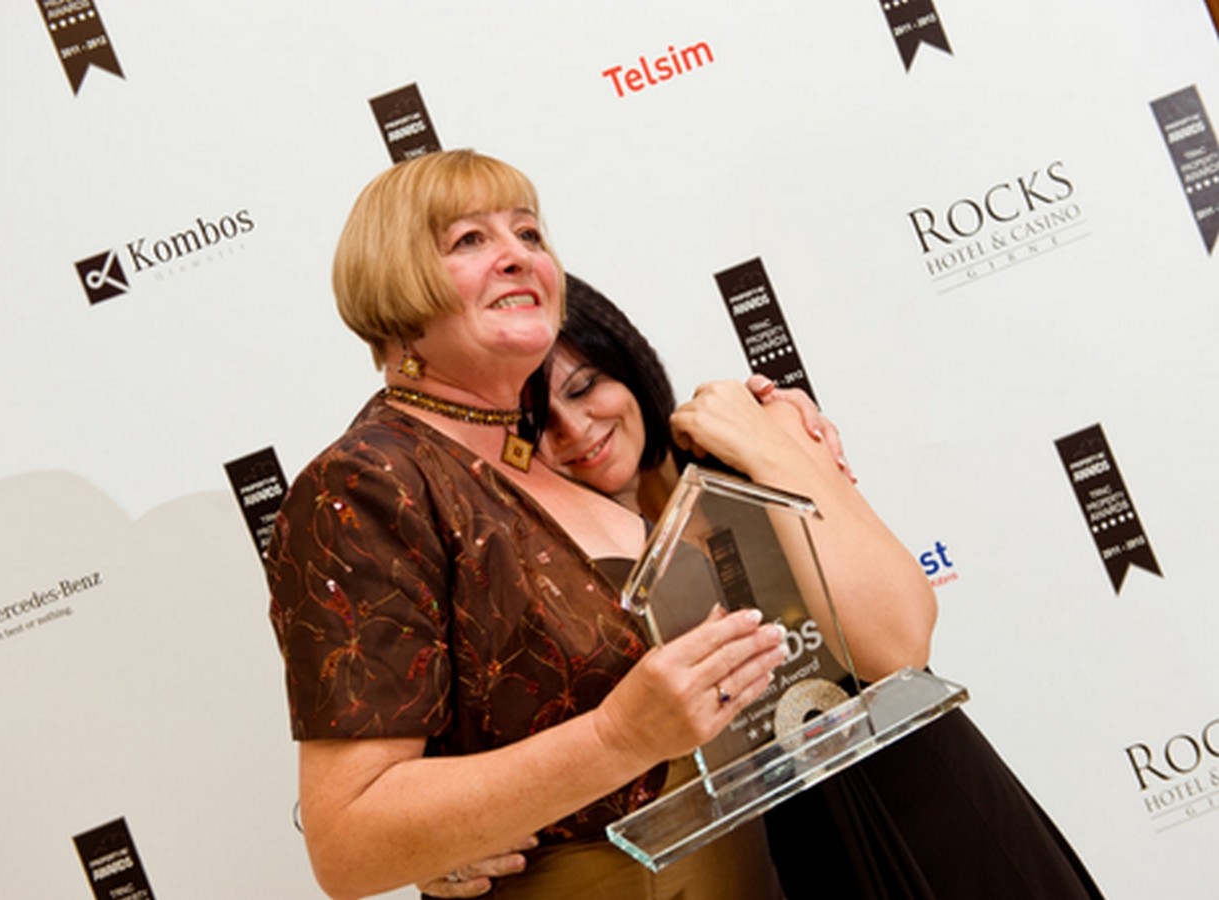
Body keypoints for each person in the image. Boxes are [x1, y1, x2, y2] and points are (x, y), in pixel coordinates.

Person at [425, 275, 1104, 899]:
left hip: (926, 802)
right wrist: (442, 846)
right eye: (538, 419)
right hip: (783, 859)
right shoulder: (535, 571)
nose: (576, 429)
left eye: (585, 387)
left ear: (626, 364)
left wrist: (768, 441)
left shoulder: (743, 439)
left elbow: (899, 644)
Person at [264, 150, 792, 900]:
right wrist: (619, 738)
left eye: (529, 233)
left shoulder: (546, 457)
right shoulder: (369, 481)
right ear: (390, 284)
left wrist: (787, 437)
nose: (516, 255)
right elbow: (349, 841)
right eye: (468, 240)